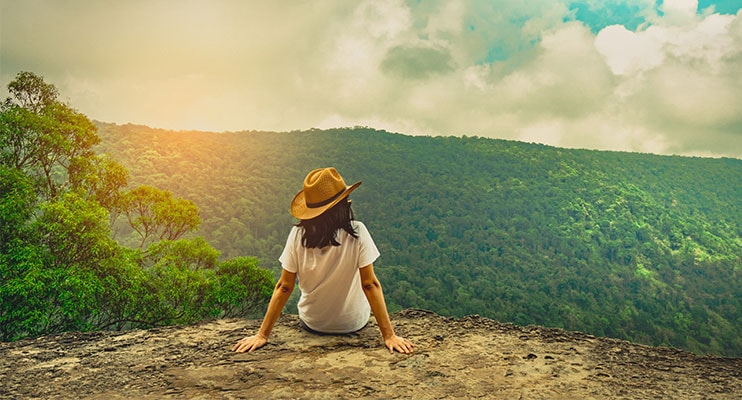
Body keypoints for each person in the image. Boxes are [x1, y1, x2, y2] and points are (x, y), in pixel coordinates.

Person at [232, 167, 414, 354]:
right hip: (352, 323)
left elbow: (284, 287)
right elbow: (370, 284)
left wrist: (262, 335)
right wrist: (389, 335)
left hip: (313, 323)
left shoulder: (297, 235)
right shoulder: (358, 232)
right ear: (343, 207)